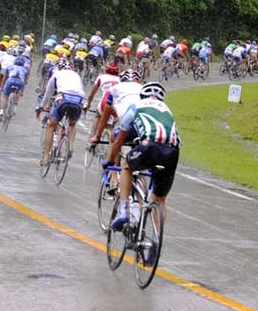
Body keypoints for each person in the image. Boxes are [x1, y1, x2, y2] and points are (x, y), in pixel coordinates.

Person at [103, 81, 180, 234]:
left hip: (149, 145)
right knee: (160, 199)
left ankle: (123, 210)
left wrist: (110, 161)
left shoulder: (136, 106)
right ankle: (156, 241)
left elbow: (118, 141)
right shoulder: (168, 110)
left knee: (126, 167)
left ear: (142, 96)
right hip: (173, 151)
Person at [38, 59, 85, 163]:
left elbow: (47, 94)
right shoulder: (76, 75)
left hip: (63, 98)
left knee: (51, 125)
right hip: (78, 100)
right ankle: (70, 147)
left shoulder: (56, 74)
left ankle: (45, 157)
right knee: (72, 124)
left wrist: (41, 107)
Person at [84, 62, 120, 143]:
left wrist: (88, 104)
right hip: (117, 105)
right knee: (111, 125)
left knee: (97, 116)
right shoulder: (121, 80)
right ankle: (112, 145)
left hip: (105, 101)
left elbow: (91, 95)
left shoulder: (101, 77)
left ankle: (91, 141)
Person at [0, 56, 28, 120]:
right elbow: (25, 82)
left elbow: (4, 78)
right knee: (17, 94)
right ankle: (14, 108)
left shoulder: (10, 67)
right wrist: (22, 92)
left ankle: (1, 111)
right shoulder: (25, 69)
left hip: (10, 80)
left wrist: (1, 87)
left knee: (5, 96)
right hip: (20, 82)